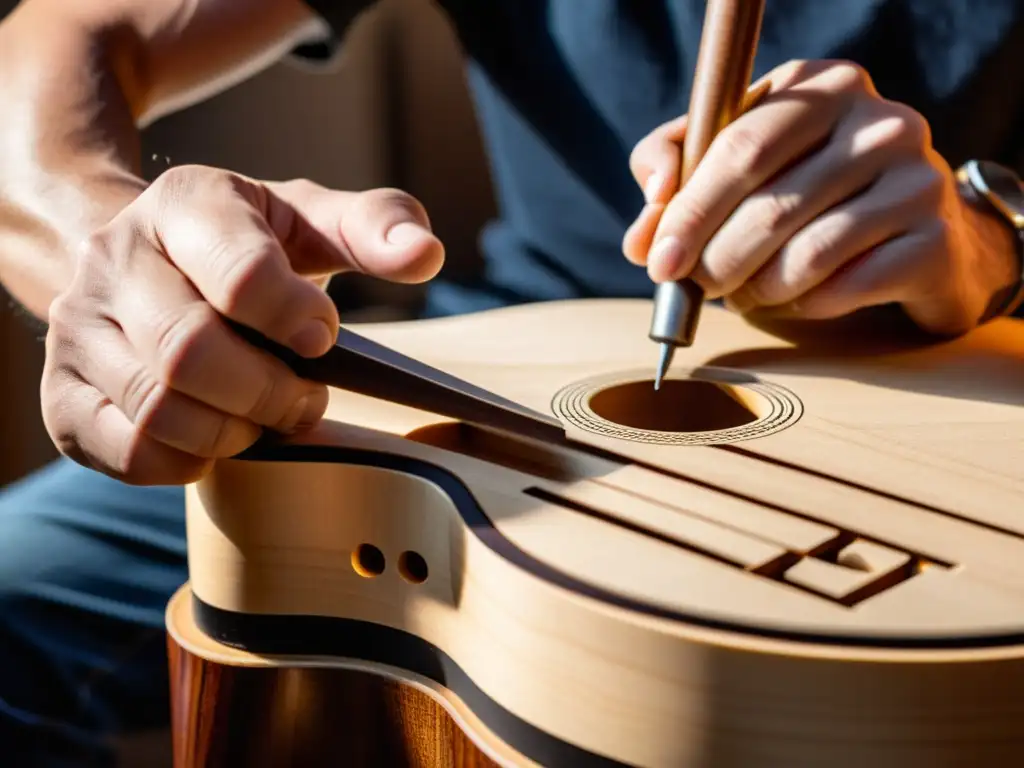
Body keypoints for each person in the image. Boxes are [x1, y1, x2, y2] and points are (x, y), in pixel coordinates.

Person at [0, 0, 1022, 763]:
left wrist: (988, 241)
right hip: (491, 375)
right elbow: (48, 54)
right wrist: (125, 276)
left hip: (955, 407)